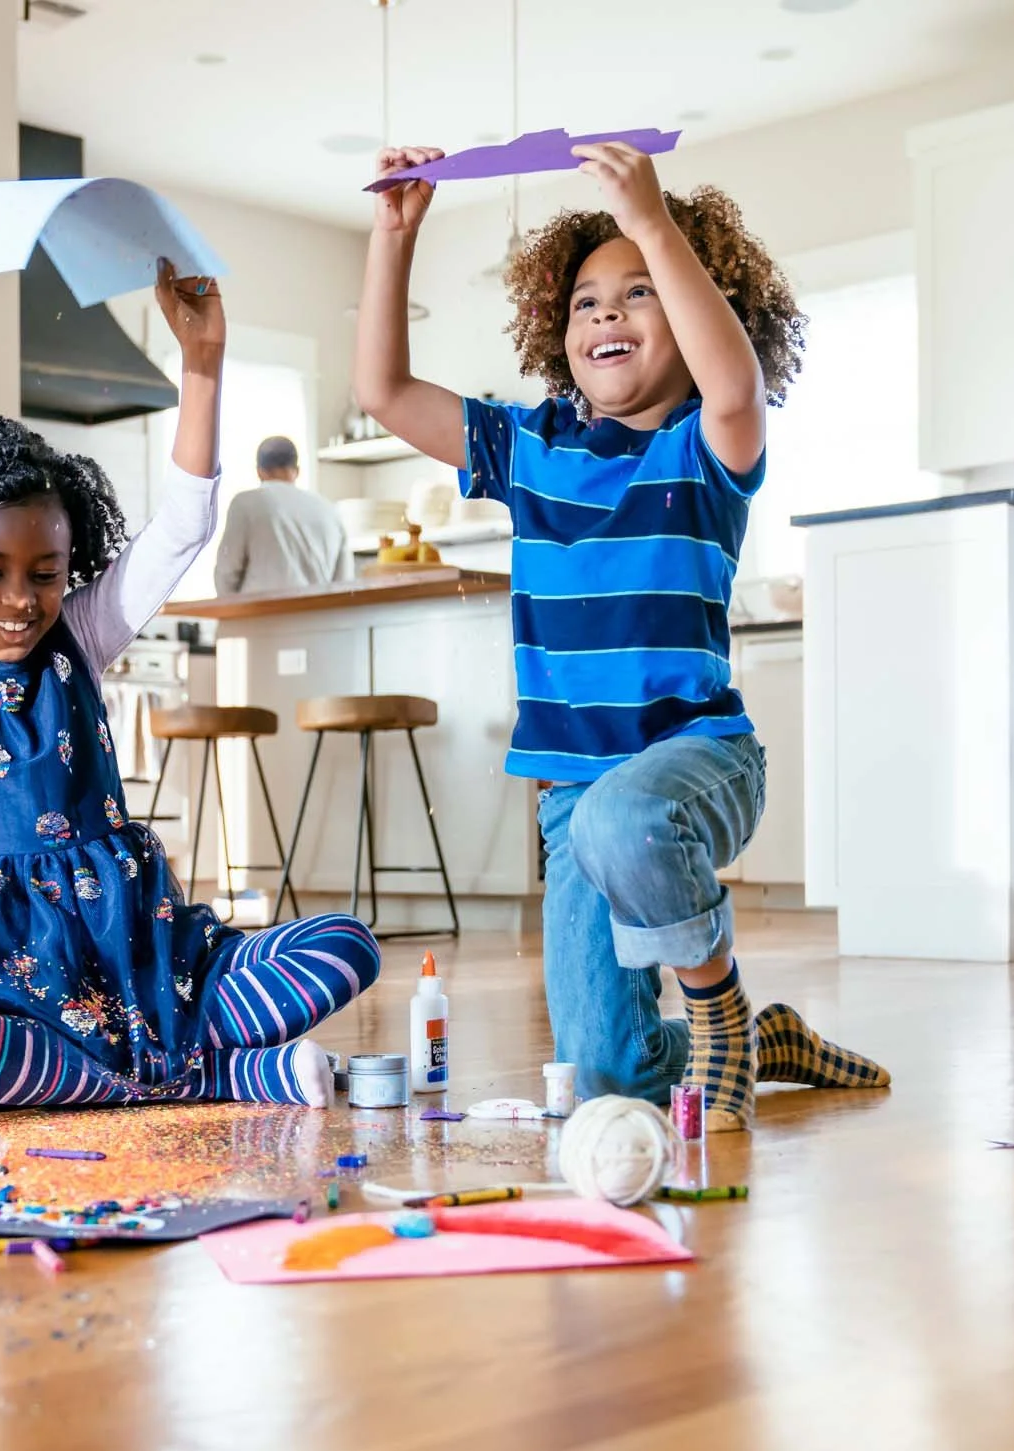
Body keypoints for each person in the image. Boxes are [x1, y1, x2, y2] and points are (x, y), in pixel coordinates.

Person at [351, 140, 888, 1129]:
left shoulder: (704, 446)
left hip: (696, 764)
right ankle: (761, 1039)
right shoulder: (530, 447)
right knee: (606, 1072)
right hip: (573, 802)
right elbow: (383, 391)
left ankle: (717, 1007)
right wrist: (393, 240)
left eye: (637, 293)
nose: (604, 313)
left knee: (621, 818)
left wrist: (652, 221)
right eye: (585, 301)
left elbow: (732, 387)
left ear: (693, 316)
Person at [0, 260, 380, 1114]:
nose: (19, 600)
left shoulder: (78, 637)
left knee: (346, 945)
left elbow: (186, 525)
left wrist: (203, 363)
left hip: (132, 951)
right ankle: (206, 1076)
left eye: (45, 574)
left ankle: (94, 1076)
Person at [213, 435, 352, 595]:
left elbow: (227, 570)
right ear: (297, 470)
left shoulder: (246, 503)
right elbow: (344, 580)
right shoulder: (329, 509)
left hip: (261, 614)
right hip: (317, 614)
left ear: (259, 471)